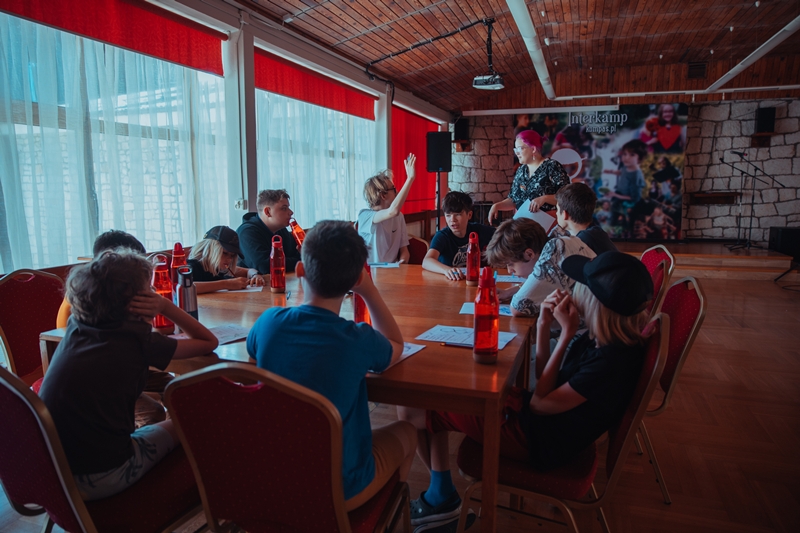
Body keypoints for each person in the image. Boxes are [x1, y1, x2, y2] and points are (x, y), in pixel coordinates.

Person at [398, 252, 653, 531]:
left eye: (579, 284)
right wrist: (543, 324)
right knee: (436, 393)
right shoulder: (605, 342)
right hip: (539, 423)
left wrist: (566, 334)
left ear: (596, 303)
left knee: (412, 407)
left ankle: (441, 499)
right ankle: (441, 496)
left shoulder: (610, 364)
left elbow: (539, 403)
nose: (571, 289)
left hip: (536, 440)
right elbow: (544, 381)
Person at [246, 220, 417, 512]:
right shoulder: (358, 339)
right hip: (338, 489)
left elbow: (252, 368)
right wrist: (369, 290)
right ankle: (377, 517)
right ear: (356, 280)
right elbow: (395, 345)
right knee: (408, 432)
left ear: (300, 270)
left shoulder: (268, 323)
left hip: (271, 477)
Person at [39, 250, 218, 501]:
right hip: (105, 475)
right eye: (149, 290)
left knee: (164, 417)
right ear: (137, 300)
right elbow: (208, 341)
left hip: (54, 474)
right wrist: (165, 305)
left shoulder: (77, 326)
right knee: (195, 417)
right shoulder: (136, 341)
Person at [54, 229, 171, 429]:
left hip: (114, 366)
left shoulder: (98, 293)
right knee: (157, 411)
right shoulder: (89, 303)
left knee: (174, 384)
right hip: (96, 380)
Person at [483, 218, 595, 316]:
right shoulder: (559, 240)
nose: (509, 271)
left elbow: (517, 308)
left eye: (511, 264)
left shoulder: (552, 255)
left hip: (587, 331)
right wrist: (509, 292)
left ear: (529, 254)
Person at [488, 130, 571, 224]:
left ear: (533, 149)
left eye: (520, 149)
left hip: (548, 225)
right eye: (515, 149)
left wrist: (544, 198)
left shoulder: (552, 166)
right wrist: (497, 206)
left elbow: (567, 197)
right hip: (523, 225)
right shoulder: (521, 170)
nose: (517, 153)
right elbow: (514, 200)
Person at [422, 191, 495, 281]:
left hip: (475, 281)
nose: (452, 220)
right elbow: (427, 261)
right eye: (448, 215)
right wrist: (446, 270)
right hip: (450, 281)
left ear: (469, 215)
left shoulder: (479, 230)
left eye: (458, 214)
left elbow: (503, 235)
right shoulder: (442, 236)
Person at [357, 154, 417, 263]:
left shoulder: (399, 216)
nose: (397, 192)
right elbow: (393, 211)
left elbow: (404, 251)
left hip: (394, 271)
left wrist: (402, 262)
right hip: (372, 272)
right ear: (383, 195)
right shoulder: (365, 215)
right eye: (393, 189)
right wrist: (410, 179)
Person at [237, 189, 301, 275]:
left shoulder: (281, 230)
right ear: (267, 212)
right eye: (284, 208)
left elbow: (297, 254)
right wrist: (300, 260)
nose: (291, 212)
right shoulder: (247, 232)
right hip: (254, 282)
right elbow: (264, 266)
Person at [188, 226, 266, 294]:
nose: (229, 259)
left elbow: (248, 271)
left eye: (232, 255)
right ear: (210, 249)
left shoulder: (218, 268)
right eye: (225, 253)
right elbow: (187, 287)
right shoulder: (192, 266)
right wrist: (226, 284)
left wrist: (255, 275)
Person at [554, 183, 618, 255]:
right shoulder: (595, 232)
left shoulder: (582, 242)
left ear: (565, 214)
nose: (556, 213)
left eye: (557, 209)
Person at [606, 139, 647, 204]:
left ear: (640, 159)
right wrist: (611, 171)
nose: (626, 157)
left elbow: (635, 198)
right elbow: (623, 173)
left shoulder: (636, 176)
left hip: (624, 203)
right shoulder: (627, 165)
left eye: (632, 155)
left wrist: (615, 195)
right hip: (618, 193)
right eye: (625, 154)